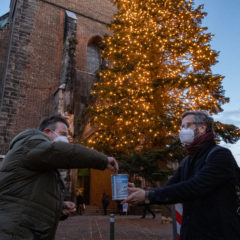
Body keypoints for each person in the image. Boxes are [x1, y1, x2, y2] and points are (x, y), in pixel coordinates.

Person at [123, 111, 240, 240]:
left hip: (219, 233)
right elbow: (169, 188)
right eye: (181, 127)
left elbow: (194, 187)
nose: (182, 131)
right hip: (191, 233)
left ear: (202, 128)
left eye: (187, 125)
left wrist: (147, 195)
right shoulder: (187, 161)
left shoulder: (220, 155)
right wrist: (141, 193)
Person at [0, 115, 118, 240]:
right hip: (15, 230)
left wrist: (60, 206)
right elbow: (59, 151)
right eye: (62, 133)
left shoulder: (41, 161)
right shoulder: (30, 142)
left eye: (67, 136)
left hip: (27, 229)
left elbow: (31, 196)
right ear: (47, 132)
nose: (65, 139)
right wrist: (102, 160)